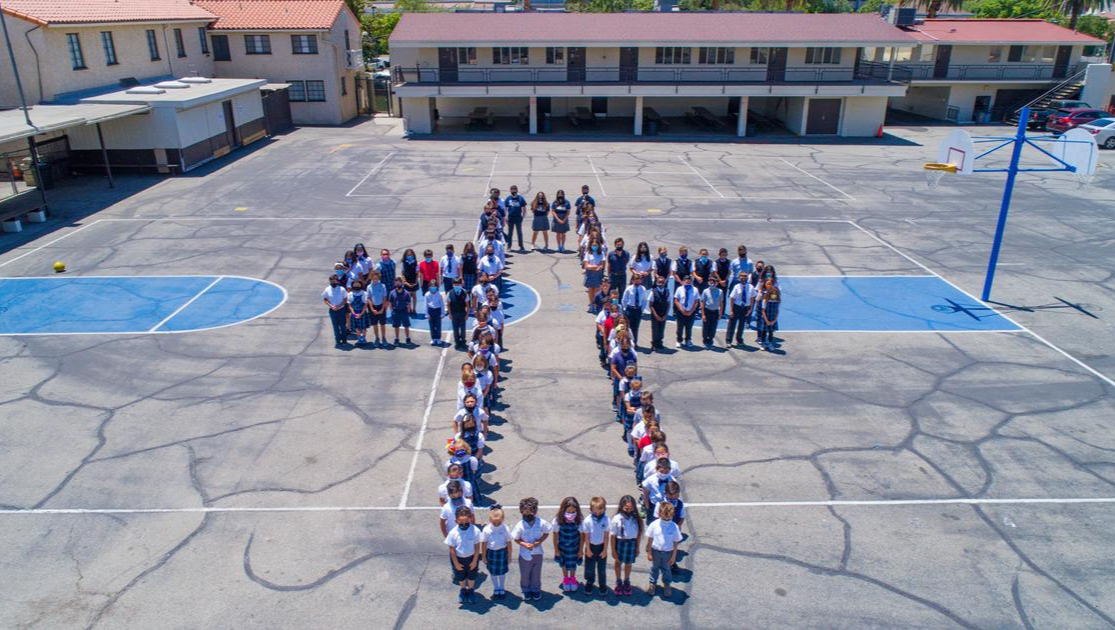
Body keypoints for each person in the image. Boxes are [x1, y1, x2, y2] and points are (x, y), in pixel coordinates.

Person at [512, 497, 552, 601]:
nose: (527, 516)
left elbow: (547, 532)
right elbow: (516, 538)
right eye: (525, 513)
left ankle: (536, 589)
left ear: (535, 512)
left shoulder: (541, 522)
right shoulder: (520, 525)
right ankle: (525, 590)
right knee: (525, 574)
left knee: (536, 574)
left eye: (530, 513)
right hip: (524, 555)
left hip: (538, 554)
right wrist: (524, 544)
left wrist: (540, 541)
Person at [645, 502, 683, 598]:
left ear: (672, 514)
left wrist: (673, 556)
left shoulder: (674, 526)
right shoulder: (654, 525)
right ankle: (652, 584)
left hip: (668, 553)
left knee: (666, 569)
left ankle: (667, 584)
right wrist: (649, 552)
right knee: (655, 568)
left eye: (668, 515)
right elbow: (650, 539)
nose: (666, 518)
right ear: (659, 513)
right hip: (655, 551)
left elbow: (675, 542)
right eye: (664, 515)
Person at [446, 505, 481, 604]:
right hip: (458, 558)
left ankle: (471, 590)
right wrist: (456, 563)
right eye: (461, 523)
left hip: (471, 558)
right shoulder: (453, 533)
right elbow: (452, 549)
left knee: (471, 576)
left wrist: (475, 561)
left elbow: (477, 547)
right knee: (461, 576)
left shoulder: (475, 530)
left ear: (470, 519)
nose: (464, 525)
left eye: (466, 523)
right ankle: (463, 590)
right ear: (456, 521)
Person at [609, 495, 642, 597]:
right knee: (618, 563)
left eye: (631, 508)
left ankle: (626, 580)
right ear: (621, 507)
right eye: (626, 509)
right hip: (620, 543)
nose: (629, 511)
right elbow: (613, 536)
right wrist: (613, 551)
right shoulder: (617, 519)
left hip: (632, 544)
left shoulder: (635, 518)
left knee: (628, 564)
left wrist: (637, 548)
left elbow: (638, 534)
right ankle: (618, 581)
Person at [552, 496, 586, 593]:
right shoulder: (558, 520)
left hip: (574, 547)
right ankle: (566, 578)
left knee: (573, 564)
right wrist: (556, 550)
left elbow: (582, 536)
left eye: (573, 512)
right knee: (563, 563)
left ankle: (573, 578)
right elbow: (555, 535)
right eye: (568, 512)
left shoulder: (579, 520)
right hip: (562, 547)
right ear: (563, 510)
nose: (570, 514)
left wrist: (581, 550)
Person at [581, 496, 610, 596]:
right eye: (595, 511)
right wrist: (588, 550)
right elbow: (586, 537)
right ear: (591, 509)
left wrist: (605, 550)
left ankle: (602, 585)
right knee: (589, 568)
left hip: (601, 547)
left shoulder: (606, 520)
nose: (598, 513)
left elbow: (606, 536)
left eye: (600, 510)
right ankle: (589, 583)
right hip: (591, 547)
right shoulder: (587, 521)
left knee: (602, 569)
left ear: (604, 509)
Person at [482, 506, 512, 599]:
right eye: (494, 522)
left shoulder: (505, 528)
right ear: (490, 519)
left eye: (499, 522)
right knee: (493, 572)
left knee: (502, 572)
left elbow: (509, 542)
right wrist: (484, 556)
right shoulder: (487, 529)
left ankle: (501, 588)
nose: (496, 524)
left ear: (502, 519)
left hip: (502, 552)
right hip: (491, 553)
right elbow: (484, 543)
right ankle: (496, 588)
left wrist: (509, 555)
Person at [726, 271, 753, 347]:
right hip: (736, 307)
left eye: (745, 276)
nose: (743, 277)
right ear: (739, 278)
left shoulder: (751, 287)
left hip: (745, 308)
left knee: (741, 325)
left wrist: (750, 309)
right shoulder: (736, 287)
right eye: (741, 276)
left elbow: (752, 298)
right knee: (732, 325)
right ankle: (728, 341)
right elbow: (732, 298)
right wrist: (731, 310)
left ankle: (739, 340)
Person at [621, 273, 648, 348]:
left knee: (636, 328)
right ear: (633, 280)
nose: (637, 282)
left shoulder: (643, 289)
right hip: (630, 309)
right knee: (629, 327)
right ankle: (627, 343)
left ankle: (634, 343)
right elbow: (624, 299)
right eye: (636, 280)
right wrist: (625, 309)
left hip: (638, 310)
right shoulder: (629, 289)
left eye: (639, 280)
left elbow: (644, 300)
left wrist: (642, 309)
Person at [673, 275, 698, 349]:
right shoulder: (679, 289)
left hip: (691, 312)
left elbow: (696, 302)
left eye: (689, 283)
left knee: (689, 327)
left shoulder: (695, 290)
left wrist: (691, 311)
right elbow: (676, 300)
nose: (688, 284)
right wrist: (681, 310)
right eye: (686, 282)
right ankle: (679, 340)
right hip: (681, 311)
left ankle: (688, 340)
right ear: (683, 282)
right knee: (680, 327)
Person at [323, 273, 348, 346]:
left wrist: (339, 306)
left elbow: (345, 299)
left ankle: (344, 339)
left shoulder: (342, 289)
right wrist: (331, 306)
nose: (333, 282)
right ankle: (337, 340)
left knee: (343, 326)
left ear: (337, 281)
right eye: (331, 281)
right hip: (332, 310)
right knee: (335, 326)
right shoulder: (327, 289)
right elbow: (325, 299)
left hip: (341, 310)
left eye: (334, 281)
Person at [649, 274, 671, 351]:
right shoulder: (653, 292)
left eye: (662, 282)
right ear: (656, 283)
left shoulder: (667, 291)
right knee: (655, 329)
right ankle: (654, 343)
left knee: (661, 329)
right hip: (655, 314)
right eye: (659, 282)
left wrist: (666, 315)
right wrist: (655, 315)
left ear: (665, 283)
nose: (661, 284)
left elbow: (668, 303)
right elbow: (651, 305)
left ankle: (660, 343)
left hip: (663, 314)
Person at [388, 277, 413, 345]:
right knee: (396, 326)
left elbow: (409, 302)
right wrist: (391, 310)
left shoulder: (406, 293)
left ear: (402, 283)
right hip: (396, 311)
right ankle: (397, 338)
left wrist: (408, 310)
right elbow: (390, 302)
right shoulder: (392, 293)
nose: (397, 284)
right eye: (396, 283)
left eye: (399, 283)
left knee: (406, 325)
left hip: (404, 311)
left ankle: (407, 338)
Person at [758, 279, 781, 351]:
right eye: (772, 293)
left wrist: (774, 320)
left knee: (771, 332)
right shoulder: (765, 301)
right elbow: (763, 311)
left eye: (775, 294)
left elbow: (777, 311)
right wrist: (767, 321)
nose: (773, 295)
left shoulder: (777, 301)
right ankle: (763, 343)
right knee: (764, 331)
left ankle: (770, 343)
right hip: (766, 319)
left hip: (773, 319)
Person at [583, 237, 606, 310]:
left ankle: (595, 304)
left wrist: (593, 267)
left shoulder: (601, 253)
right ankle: (591, 304)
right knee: (590, 289)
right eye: (593, 245)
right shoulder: (588, 253)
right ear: (591, 245)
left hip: (598, 274)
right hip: (590, 274)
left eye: (596, 245)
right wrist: (595, 266)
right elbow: (586, 265)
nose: (594, 247)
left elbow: (602, 265)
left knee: (597, 289)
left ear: (598, 246)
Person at [700, 276, 722, 348]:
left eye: (713, 282)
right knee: (705, 327)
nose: (712, 283)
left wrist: (720, 313)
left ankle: (710, 341)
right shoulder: (705, 291)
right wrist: (703, 314)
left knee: (713, 327)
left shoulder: (720, 291)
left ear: (716, 283)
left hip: (715, 312)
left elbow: (721, 303)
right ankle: (705, 341)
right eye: (710, 282)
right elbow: (702, 302)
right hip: (707, 311)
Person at [447, 277, 470, 349]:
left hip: (462, 313)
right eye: (455, 285)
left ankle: (463, 342)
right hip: (454, 313)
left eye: (458, 285)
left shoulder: (465, 292)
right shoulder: (450, 293)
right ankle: (457, 342)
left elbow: (467, 304)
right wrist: (450, 314)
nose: (456, 286)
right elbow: (448, 304)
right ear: (453, 285)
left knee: (463, 329)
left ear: (461, 284)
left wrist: (467, 314)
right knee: (455, 329)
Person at [347, 279, 370, 346]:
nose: (356, 285)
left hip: (362, 312)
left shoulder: (364, 293)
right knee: (356, 327)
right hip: (354, 313)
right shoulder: (350, 294)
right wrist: (353, 313)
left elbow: (365, 305)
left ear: (361, 285)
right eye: (355, 284)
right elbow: (349, 305)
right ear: (352, 285)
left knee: (364, 327)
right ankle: (359, 338)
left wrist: (361, 314)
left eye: (358, 284)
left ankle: (364, 338)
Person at [368, 270, 387, 347]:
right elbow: (369, 298)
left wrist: (382, 309)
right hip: (373, 308)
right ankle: (377, 338)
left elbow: (384, 298)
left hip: (381, 306)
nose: (375, 280)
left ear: (379, 278)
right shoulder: (369, 287)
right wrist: (372, 309)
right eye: (373, 278)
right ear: (371, 278)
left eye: (376, 278)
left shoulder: (382, 286)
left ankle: (383, 338)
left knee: (382, 324)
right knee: (375, 324)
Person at [505, 185, 526, 251]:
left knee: (519, 232)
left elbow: (524, 208)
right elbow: (505, 208)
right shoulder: (508, 198)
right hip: (510, 217)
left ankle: (521, 246)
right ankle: (509, 246)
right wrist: (505, 217)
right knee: (510, 233)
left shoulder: (520, 198)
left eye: (514, 189)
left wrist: (523, 216)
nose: (513, 191)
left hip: (518, 217)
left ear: (517, 190)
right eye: (512, 189)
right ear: (510, 190)